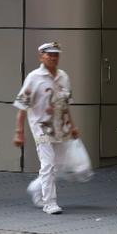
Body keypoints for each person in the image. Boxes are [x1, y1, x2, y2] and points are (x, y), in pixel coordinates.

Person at [12, 41, 79, 214]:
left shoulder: (63, 76)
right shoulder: (34, 77)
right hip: (41, 128)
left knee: (59, 165)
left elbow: (66, 104)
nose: (53, 58)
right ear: (41, 56)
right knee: (48, 163)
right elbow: (22, 106)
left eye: (56, 54)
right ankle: (49, 202)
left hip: (60, 126)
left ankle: (36, 187)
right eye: (50, 54)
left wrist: (72, 126)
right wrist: (19, 132)